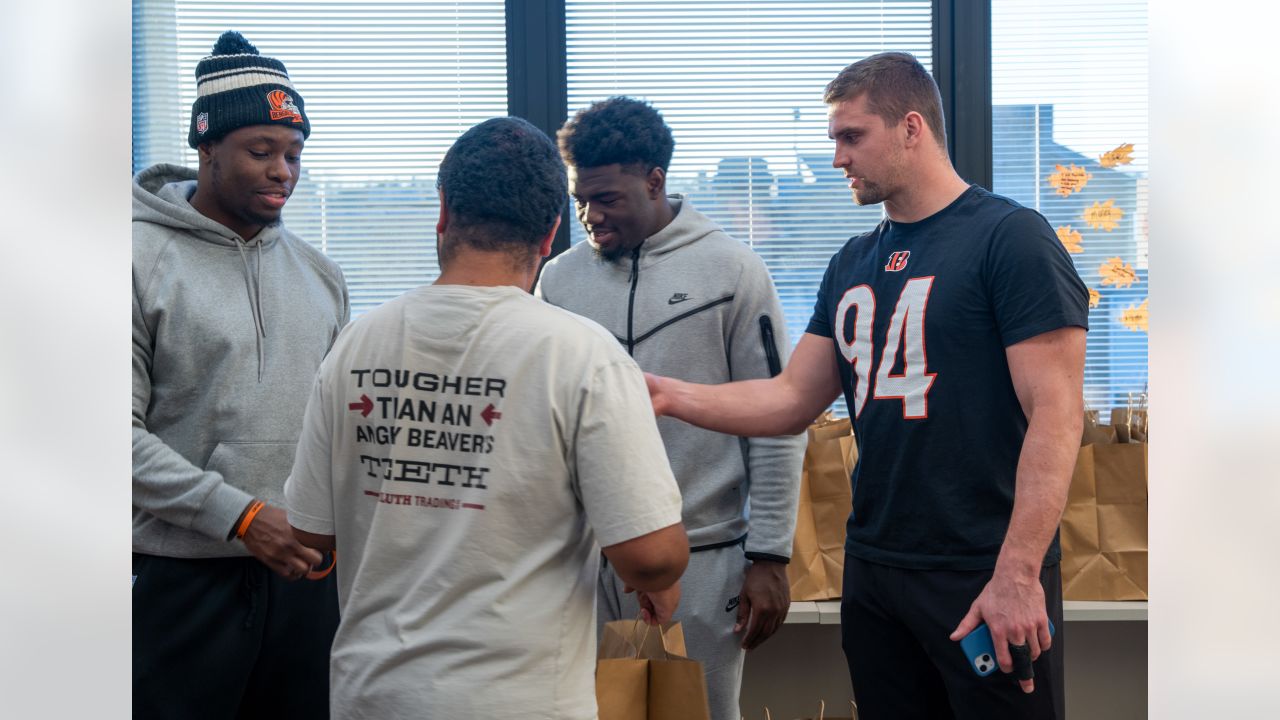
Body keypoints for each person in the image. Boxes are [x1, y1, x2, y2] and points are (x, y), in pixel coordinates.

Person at [645, 52, 1089, 720]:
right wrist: (664, 393)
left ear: (911, 128)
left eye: (851, 137)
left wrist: (1018, 573)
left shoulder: (1011, 239)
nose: (837, 159)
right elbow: (792, 398)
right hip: (879, 570)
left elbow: (1056, 413)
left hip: (981, 571)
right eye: (833, 140)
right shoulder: (853, 261)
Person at [284, 116, 689, 719]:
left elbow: (310, 533)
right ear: (551, 231)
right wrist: (661, 576)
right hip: (519, 700)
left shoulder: (358, 343)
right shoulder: (580, 353)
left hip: (373, 695)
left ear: (443, 211)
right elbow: (651, 557)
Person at [536, 96, 805, 720]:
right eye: (580, 198)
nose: (589, 215)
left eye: (607, 198)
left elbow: (776, 420)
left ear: (655, 181)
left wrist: (769, 555)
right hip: (585, 565)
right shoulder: (557, 280)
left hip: (705, 560)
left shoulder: (733, 272)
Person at [132, 30, 350, 719]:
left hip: (306, 583)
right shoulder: (132, 259)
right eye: (262, 152)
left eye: (294, 154)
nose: (284, 170)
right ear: (206, 148)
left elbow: (343, 425)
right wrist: (242, 515)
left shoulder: (321, 276)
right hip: (178, 581)